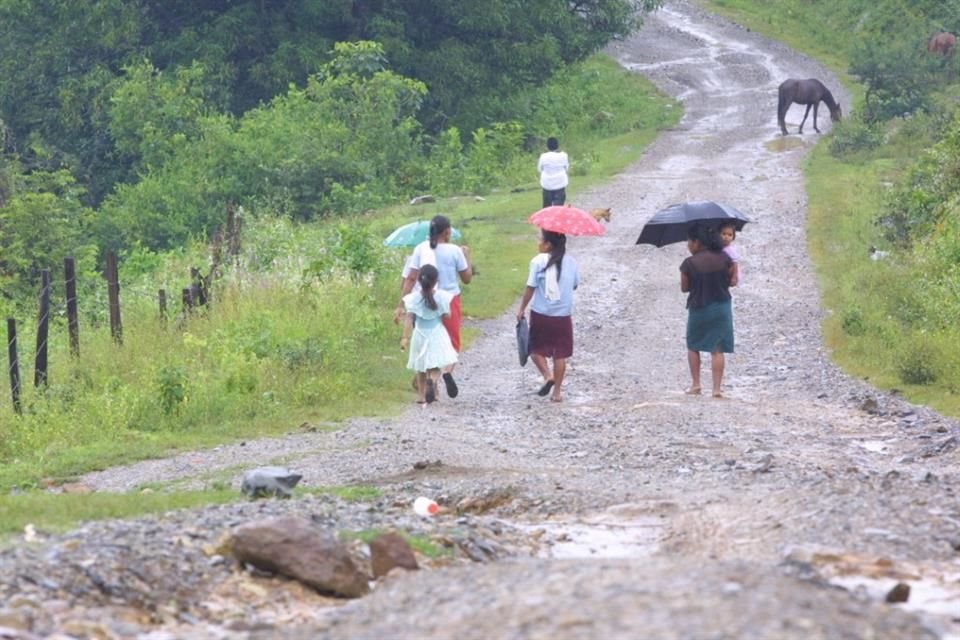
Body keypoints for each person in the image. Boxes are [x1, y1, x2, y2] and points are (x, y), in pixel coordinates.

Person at [397, 215, 472, 398]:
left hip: (424, 299)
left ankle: (431, 387)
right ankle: (442, 375)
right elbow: (467, 278)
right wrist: (467, 256)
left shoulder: (421, 248)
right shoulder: (455, 250)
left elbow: (411, 277)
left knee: (428, 344)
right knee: (451, 345)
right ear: (447, 232)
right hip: (449, 299)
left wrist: (401, 304)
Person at [515, 229, 579, 402]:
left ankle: (547, 375)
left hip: (541, 314)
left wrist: (521, 308)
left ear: (548, 244)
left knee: (535, 350)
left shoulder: (538, 261)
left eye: (540, 239)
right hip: (563, 316)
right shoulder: (571, 262)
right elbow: (574, 285)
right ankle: (557, 393)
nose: (538, 243)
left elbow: (530, 287)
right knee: (560, 354)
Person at [680, 223, 738, 398]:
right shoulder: (725, 258)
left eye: (689, 242)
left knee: (693, 345)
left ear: (697, 242)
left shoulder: (688, 263)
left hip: (699, 307)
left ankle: (696, 385)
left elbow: (685, 288)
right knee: (717, 348)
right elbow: (731, 281)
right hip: (721, 307)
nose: (688, 245)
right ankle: (716, 389)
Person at [400, 265, 458, 404]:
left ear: (419, 280)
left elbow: (409, 319)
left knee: (420, 367)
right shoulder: (442, 296)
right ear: (436, 280)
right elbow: (447, 316)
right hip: (436, 333)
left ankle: (421, 396)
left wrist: (405, 338)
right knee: (435, 366)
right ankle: (432, 381)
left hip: (419, 334)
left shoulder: (413, 299)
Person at [538, 137, 569, 208]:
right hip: (560, 183)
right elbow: (566, 168)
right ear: (557, 146)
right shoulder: (564, 155)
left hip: (547, 184)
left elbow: (540, 169)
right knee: (558, 207)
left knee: (546, 206)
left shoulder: (543, 156)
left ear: (547, 146)